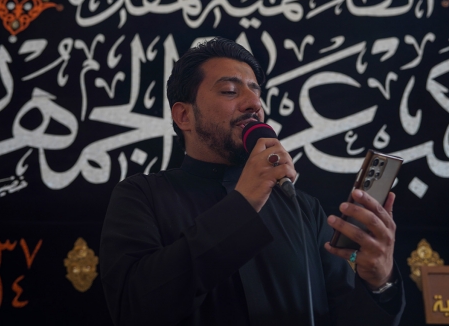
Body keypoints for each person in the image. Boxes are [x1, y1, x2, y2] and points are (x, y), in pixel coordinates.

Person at [100, 38, 405, 325]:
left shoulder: (303, 209)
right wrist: (242, 205)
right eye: (230, 91)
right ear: (184, 116)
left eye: (256, 92)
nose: (254, 103)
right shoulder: (142, 196)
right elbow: (134, 308)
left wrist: (380, 282)